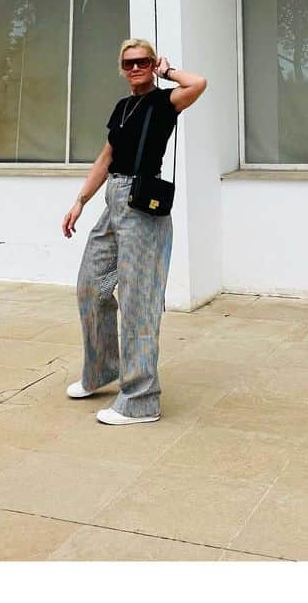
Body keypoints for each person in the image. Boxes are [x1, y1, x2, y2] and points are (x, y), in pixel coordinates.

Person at [61, 38, 207, 424]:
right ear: (122, 68)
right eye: (129, 63)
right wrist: (80, 200)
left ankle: (142, 399)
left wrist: (168, 71)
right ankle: (102, 369)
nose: (136, 68)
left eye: (143, 61)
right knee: (91, 287)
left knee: (138, 301)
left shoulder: (165, 102)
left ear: (151, 63)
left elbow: (199, 83)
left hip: (142, 207)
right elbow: (106, 157)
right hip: (114, 200)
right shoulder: (123, 107)